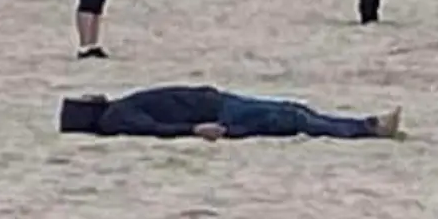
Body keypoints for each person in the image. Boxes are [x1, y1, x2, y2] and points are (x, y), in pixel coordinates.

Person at [59, 87, 402, 140]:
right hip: (218, 112)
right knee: (294, 120)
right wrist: (194, 129)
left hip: (218, 103)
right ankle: (367, 127)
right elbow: (155, 129)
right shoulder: (115, 118)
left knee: (294, 112)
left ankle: (367, 124)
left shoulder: (116, 109)